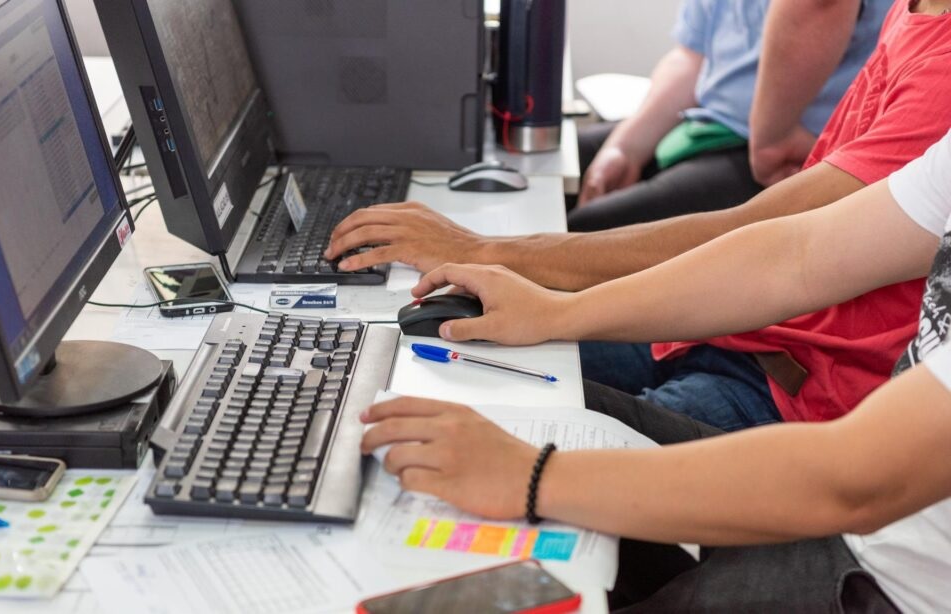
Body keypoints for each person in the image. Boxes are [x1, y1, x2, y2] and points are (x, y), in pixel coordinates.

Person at [360, 128, 951, 612]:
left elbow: (859, 481)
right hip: (860, 509)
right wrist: (559, 311)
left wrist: (533, 476)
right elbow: (797, 257)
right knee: (475, 407)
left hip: (886, 577)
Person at [328, 0, 951, 431]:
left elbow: (776, 243)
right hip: (741, 326)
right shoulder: (917, 10)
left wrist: (494, 251)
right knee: (414, 358)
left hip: (793, 384)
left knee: (486, 421)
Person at [569, 0, 886, 232]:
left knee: (586, 229)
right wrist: (625, 148)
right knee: (552, 161)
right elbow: (693, 57)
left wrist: (772, 141)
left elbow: (817, 5)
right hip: (710, 121)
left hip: (786, 153)